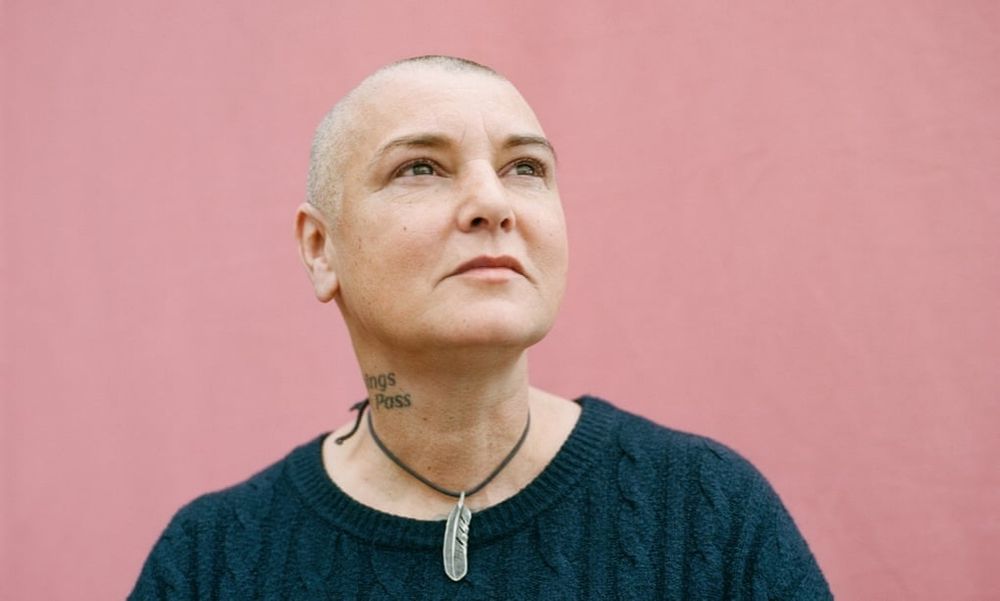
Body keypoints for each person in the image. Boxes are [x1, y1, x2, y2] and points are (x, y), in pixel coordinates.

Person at [129, 55, 832, 599]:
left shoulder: (704, 513)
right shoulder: (212, 559)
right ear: (321, 249)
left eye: (525, 167)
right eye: (422, 167)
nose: (491, 202)